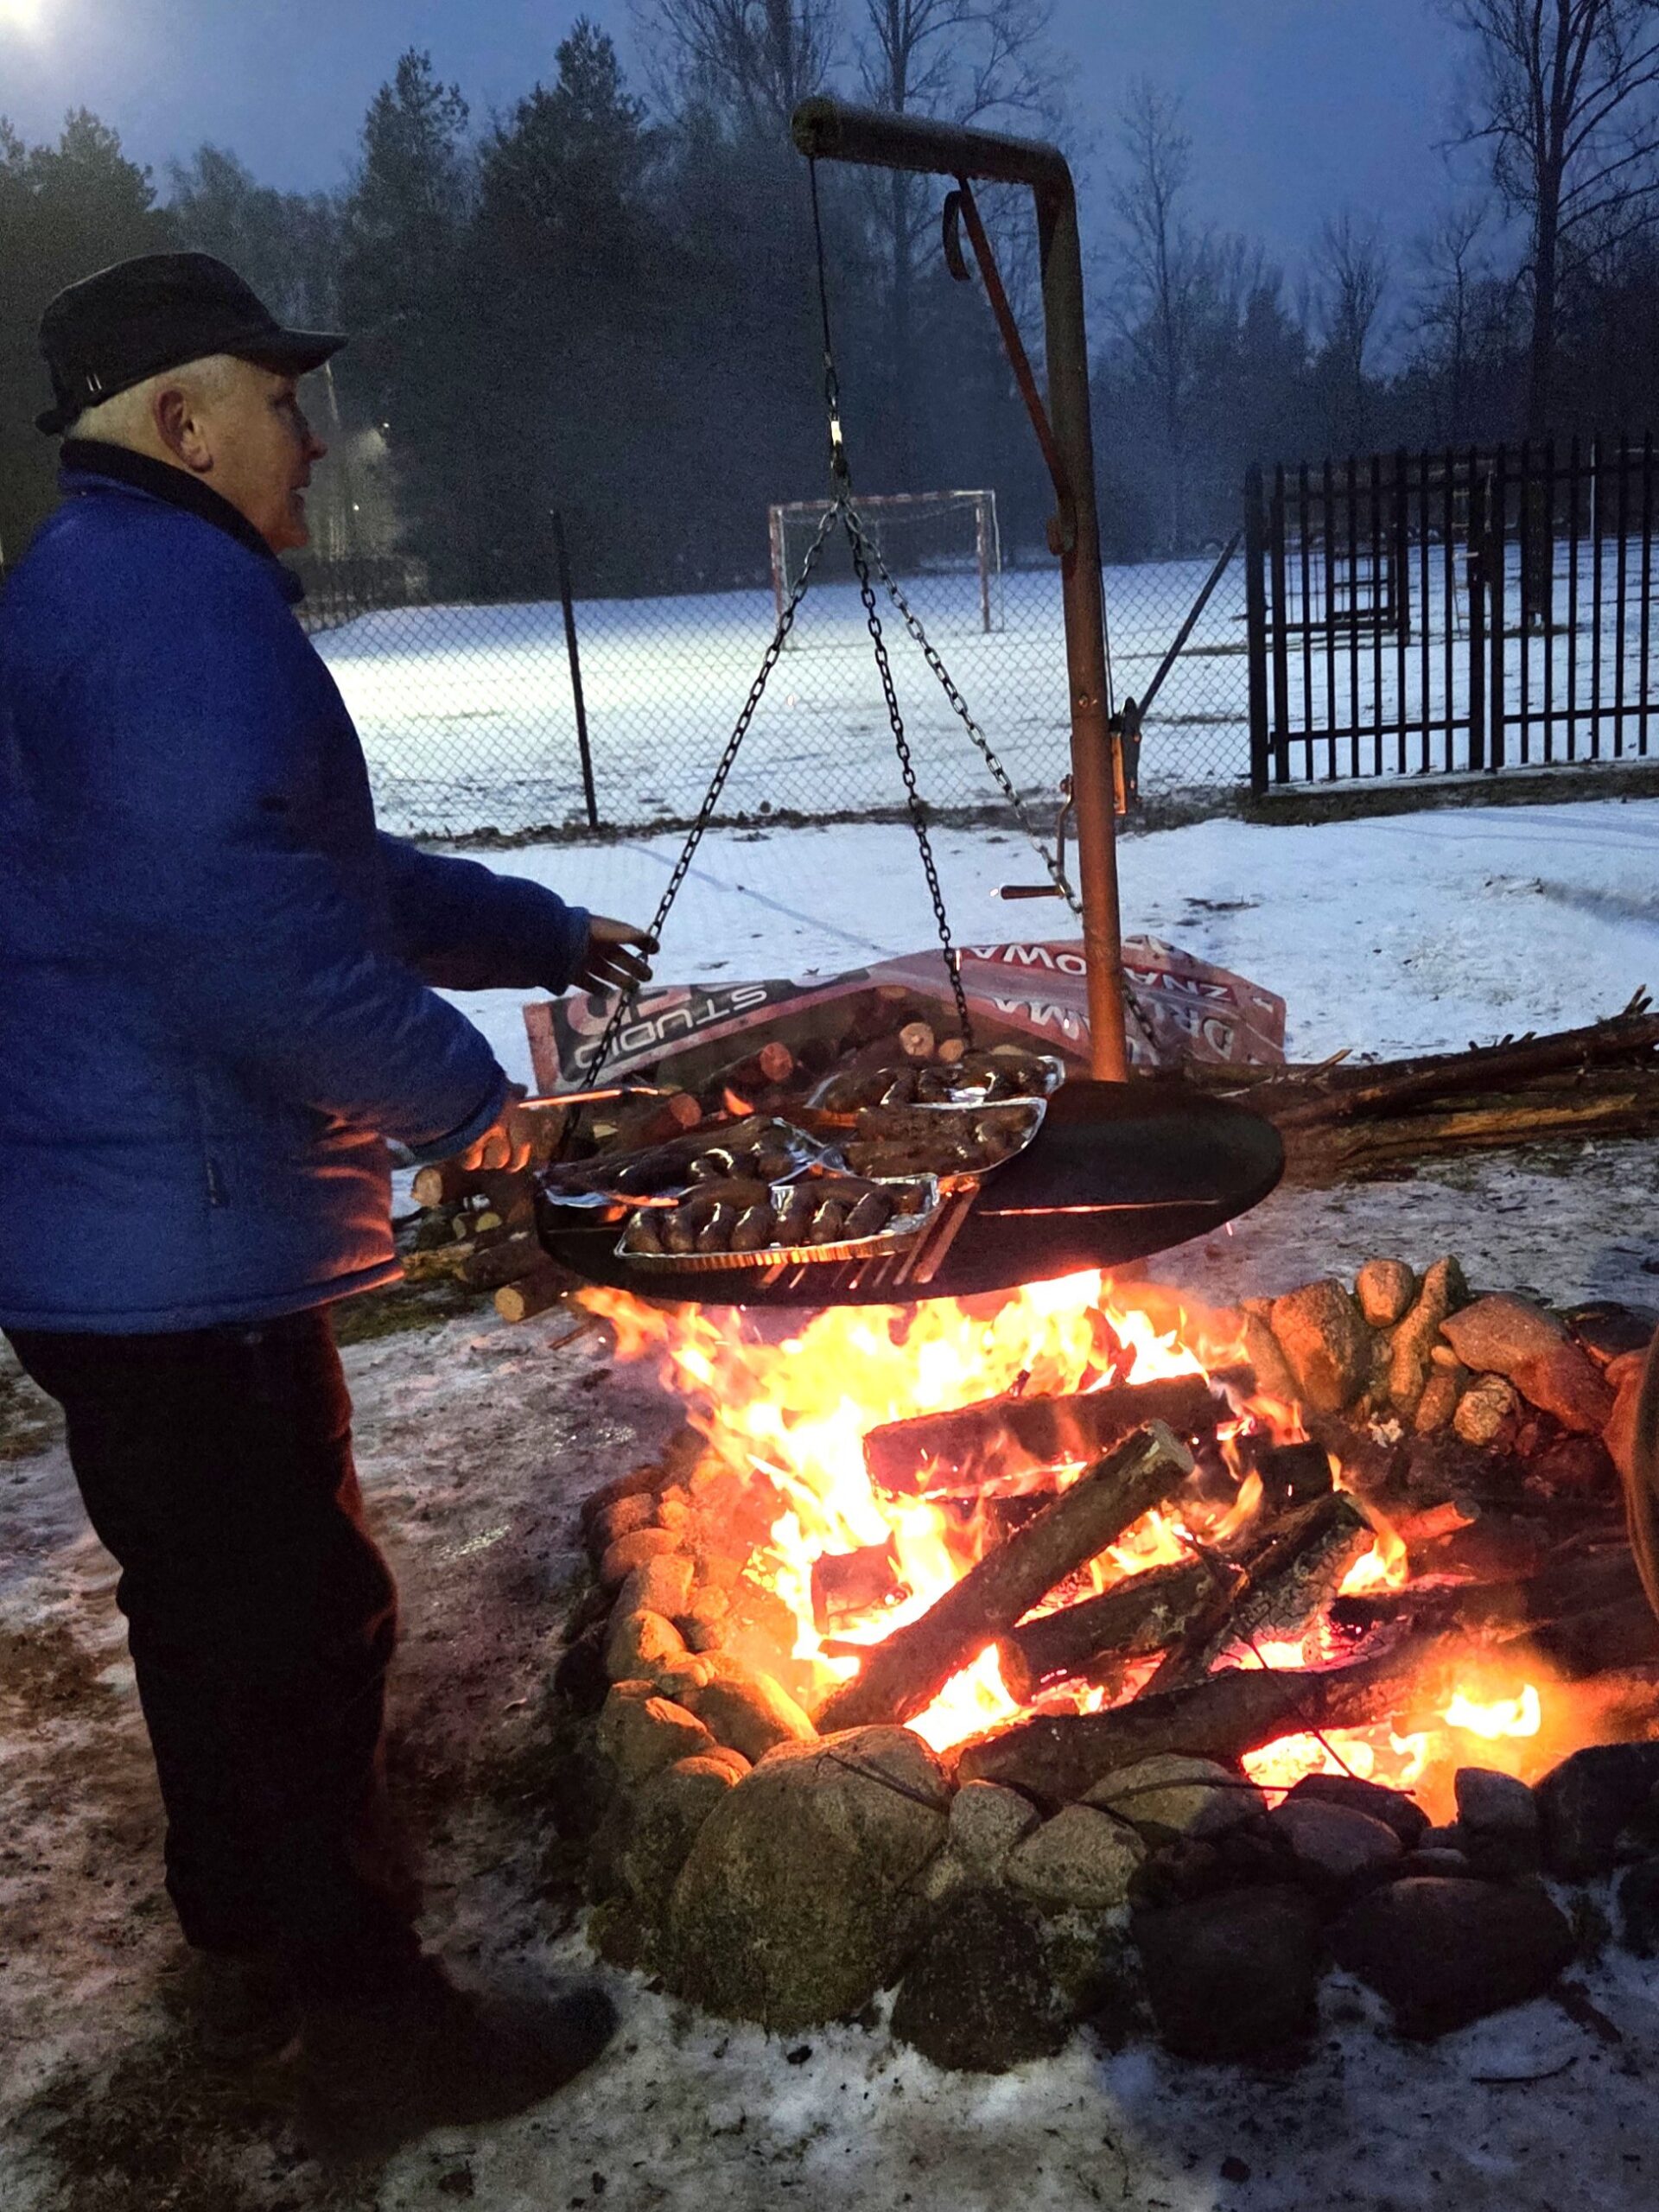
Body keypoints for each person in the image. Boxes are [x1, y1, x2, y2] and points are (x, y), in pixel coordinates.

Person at [0, 253, 652, 2148]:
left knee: (210, 1608)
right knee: (295, 1622)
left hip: (113, 1222)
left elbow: (307, 871)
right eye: (277, 399)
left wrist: (532, 928)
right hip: (179, 1228)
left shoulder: (102, 585)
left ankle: (245, 1926)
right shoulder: (163, 601)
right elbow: (238, 928)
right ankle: (375, 2029)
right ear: (178, 420)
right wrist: (465, 1102)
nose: (311, 431)